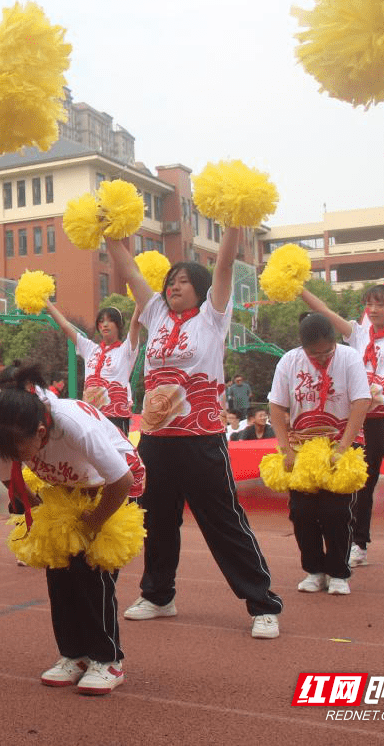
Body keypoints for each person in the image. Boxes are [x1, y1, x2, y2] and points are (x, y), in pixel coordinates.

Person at [111, 231, 283, 639]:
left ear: (201, 290)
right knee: (157, 519)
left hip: (201, 438)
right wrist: (110, 235)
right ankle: (158, 595)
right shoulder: (153, 312)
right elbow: (131, 270)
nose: (173, 285)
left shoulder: (212, 316)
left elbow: (223, 266)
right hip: (155, 440)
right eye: (171, 280)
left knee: (223, 521)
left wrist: (232, 227)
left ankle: (262, 604)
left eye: (184, 281)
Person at [0, 364, 141, 695]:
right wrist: (45, 520)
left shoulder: (72, 425)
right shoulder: (4, 432)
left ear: (41, 432)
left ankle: (107, 659)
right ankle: (74, 655)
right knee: (59, 572)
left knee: (91, 574)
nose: (14, 457)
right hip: (63, 488)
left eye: (19, 451)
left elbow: (121, 480)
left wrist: (92, 524)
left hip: (109, 487)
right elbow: (9, 482)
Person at [300, 282, 384, 573]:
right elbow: (323, 310)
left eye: (380, 305)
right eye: (369, 305)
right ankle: (359, 544)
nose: (373, 310)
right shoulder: (358, 334)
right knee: (360, 487)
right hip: (362, 422)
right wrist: (298, 288)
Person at [267, 313, 370, 596]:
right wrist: (286, 449)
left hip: (341, 442)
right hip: (303, 447)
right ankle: (314, 570)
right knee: (302, 512)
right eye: (315, 353)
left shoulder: (348, 358)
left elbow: (361, 401)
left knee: (337, 511)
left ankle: (338, 572)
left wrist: (343, 448)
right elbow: (276, 407)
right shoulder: (289, 361)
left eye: (328, 351)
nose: (323, 358)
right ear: (303, 347)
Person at [45, 301, 141, 436]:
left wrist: (139, 299)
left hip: (115, 418)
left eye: (110, 320)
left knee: (116, 456)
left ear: (119, 325)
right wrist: (46, 302)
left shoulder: (126, 350)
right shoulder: (90, 348)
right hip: (90, 417)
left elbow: (136, 324)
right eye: (101, 321)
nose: (105, 324)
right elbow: (65, 326)